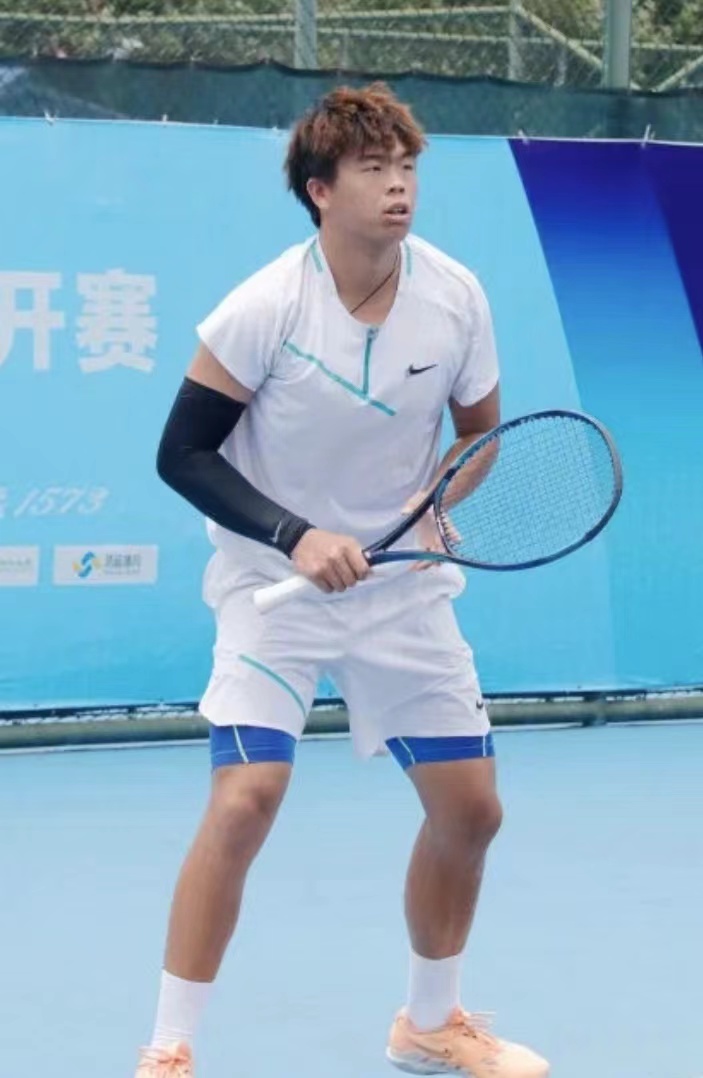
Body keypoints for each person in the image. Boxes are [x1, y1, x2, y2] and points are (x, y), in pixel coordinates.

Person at [136, 82, 549, 1078]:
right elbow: (182, 454)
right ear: (320, 190)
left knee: (471, 810)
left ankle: (429, 1023)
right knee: (246, 799)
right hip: (270, 589)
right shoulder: (265, 306)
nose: (398, 186)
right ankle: (169, 1047)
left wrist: (440, 500)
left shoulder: (454, 295)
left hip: (401, 589)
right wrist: (295, 535)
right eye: (373, 169)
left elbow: (480, 433)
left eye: (406, 168)